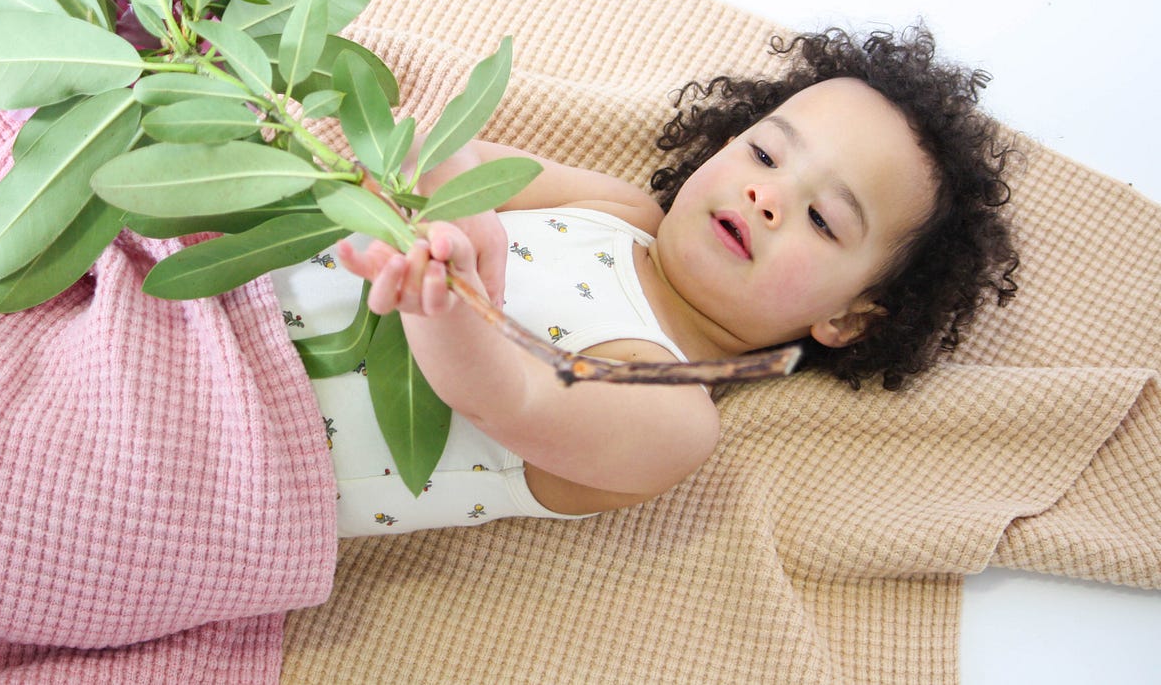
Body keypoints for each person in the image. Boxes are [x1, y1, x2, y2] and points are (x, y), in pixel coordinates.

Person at [269, 26, 1019, 536]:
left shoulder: (674, 412)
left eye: (822, 218)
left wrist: (443, 295)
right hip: (236, 297)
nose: (768, 196)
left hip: (252, 465)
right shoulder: (615, 210)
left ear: (850, 320)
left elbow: (506, 395)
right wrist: (443, 182)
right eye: (763, 155)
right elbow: (455, 158)